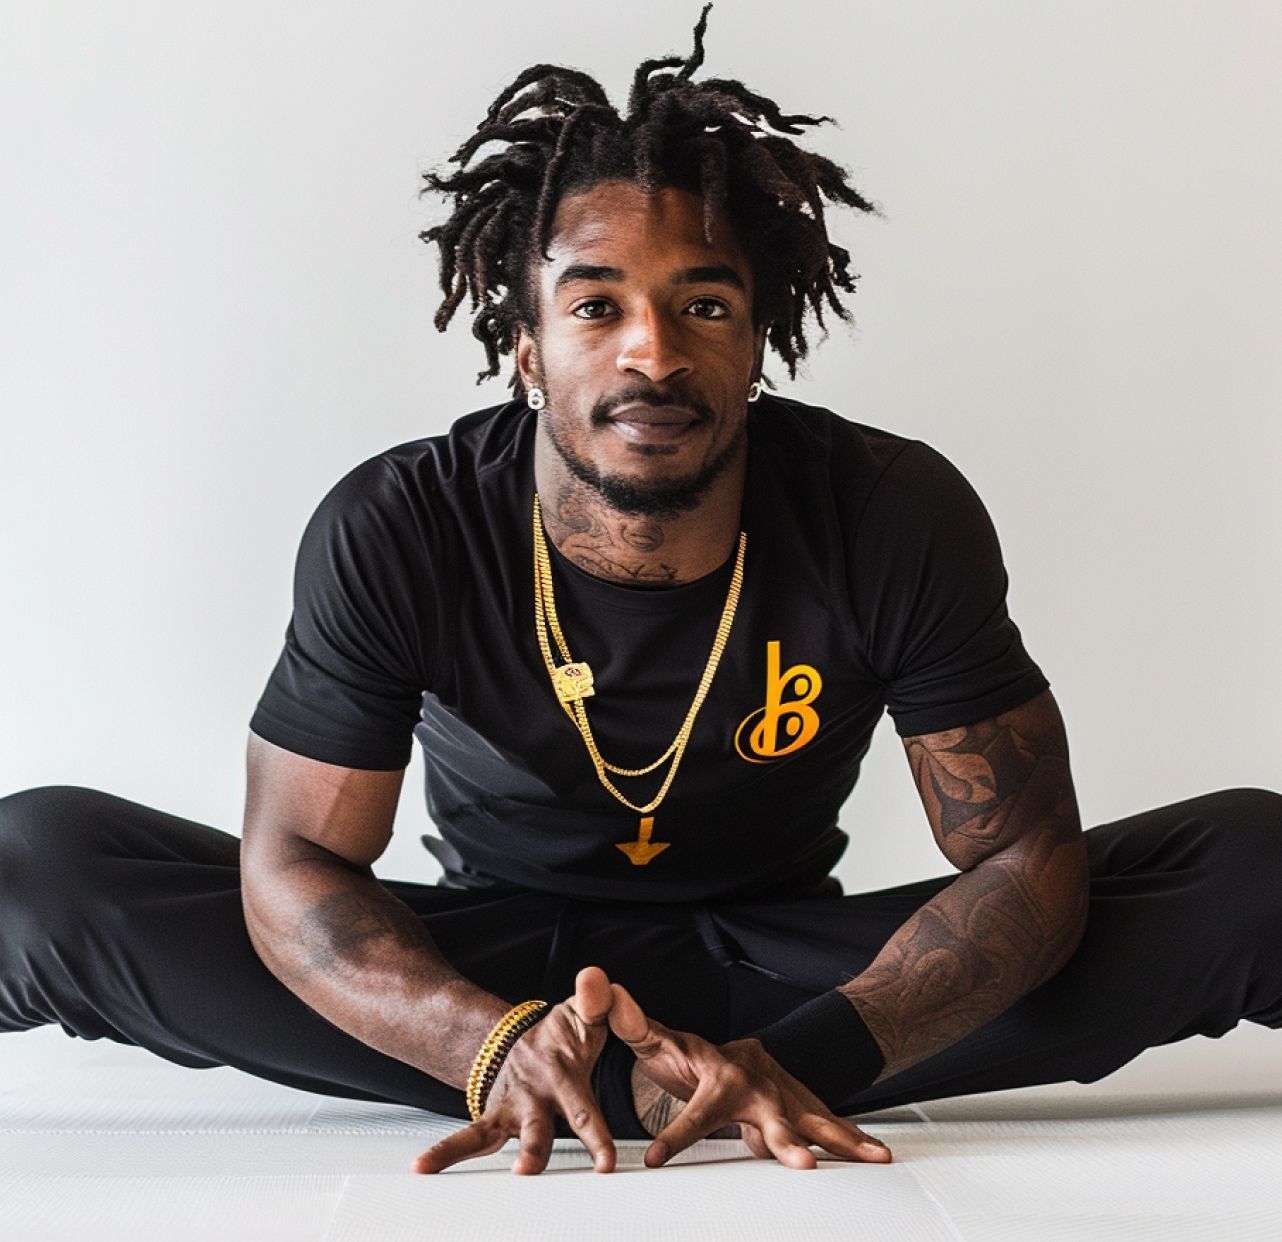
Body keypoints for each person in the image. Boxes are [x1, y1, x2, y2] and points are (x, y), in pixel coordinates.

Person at [2, 7, 1279, 1178]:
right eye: (596, 304)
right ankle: (557, 1071)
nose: (651, 352)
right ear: (526, 346)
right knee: (38, 861)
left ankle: (726, 1081)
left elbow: (1020, 857)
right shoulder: (402, 522)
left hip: (793, 979)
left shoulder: (884, 509)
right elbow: (296, 862)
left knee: (1255, 860)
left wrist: (817, 1055)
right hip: (481, 971)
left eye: (702, 305)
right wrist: (481, 1042)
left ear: (758, 338)